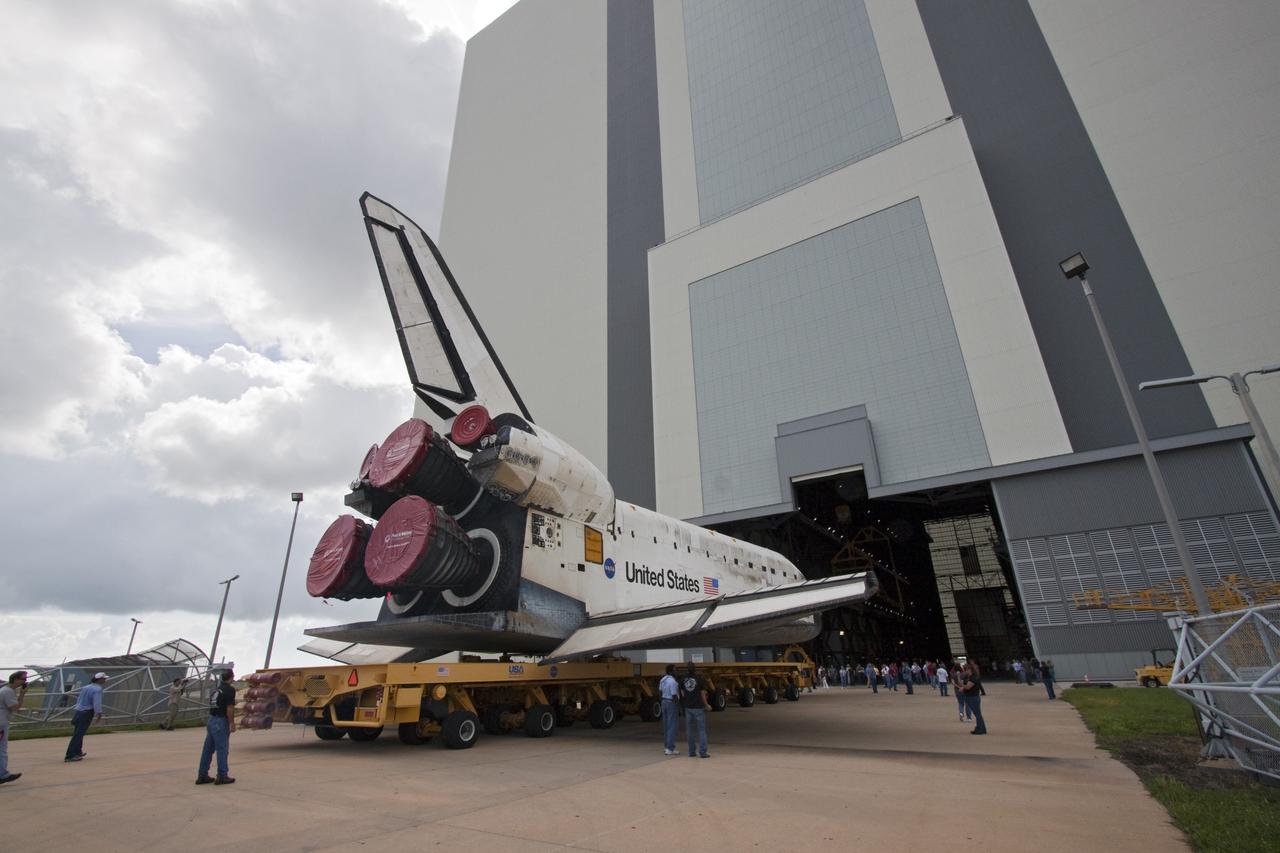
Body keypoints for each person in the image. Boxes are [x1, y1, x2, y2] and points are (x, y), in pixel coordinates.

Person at [197, 669, 237, 785]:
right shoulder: (229, 690)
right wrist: (231, 723)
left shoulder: (217, 689)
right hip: (220, 721)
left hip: (211, 720)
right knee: (222, 749)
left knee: (208, 749)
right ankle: (222, 775)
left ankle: (202, 774)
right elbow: (230, 708)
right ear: (231, 677)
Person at [65, 671, 106, 762]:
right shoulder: (97, 689)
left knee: (79, 733)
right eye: (104, 678)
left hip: (79, 711)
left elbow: (79, 699)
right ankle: (70, 755)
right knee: (78, 735)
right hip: (86, 712)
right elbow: (97, 702)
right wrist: (99, 713)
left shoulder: (86, 687)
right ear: (99, 679)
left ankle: (78, 751)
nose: (105, 680)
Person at [1, 670, 29, 784]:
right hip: (1, 723)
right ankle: (2, 774)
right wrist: (22, 694)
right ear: (16, 679)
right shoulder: (8, 691)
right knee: (1, 749)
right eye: (23, 679)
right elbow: (15, 707)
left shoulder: (6, 690)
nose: (25, 681)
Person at [678, 663, 710, 759]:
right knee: (701, 730)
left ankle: (692, 751)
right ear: (695, 669)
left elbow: (682, 693)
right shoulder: (699, 679)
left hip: (688, 707)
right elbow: (702, 694)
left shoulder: (683, 679)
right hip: (698, 707)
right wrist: (706, 705)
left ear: (687, 670)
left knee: (690, 730)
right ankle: (703, 752)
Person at [658, 664, 680, 756]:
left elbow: (660, 691)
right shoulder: (673, 682)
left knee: (666, 725)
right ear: (671, 671)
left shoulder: (663, 680)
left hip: (664, 701)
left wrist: (662, 700)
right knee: (672, 725)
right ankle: (670, 748)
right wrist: (677, 706)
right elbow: (674, 695)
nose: (676, 672)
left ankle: (667, 746)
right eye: (675, 670)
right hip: (671, 702)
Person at [963, 663, 987, 735]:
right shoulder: (971, 677)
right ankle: (981, 728)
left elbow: (968, 687)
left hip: (973, 697)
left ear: (969, 670)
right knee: (977, 714)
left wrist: (961, 685)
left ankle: (980, 729)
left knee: (977, 714)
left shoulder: (973, 677)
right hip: (972, 697)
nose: (965, 671)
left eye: (965, 670)